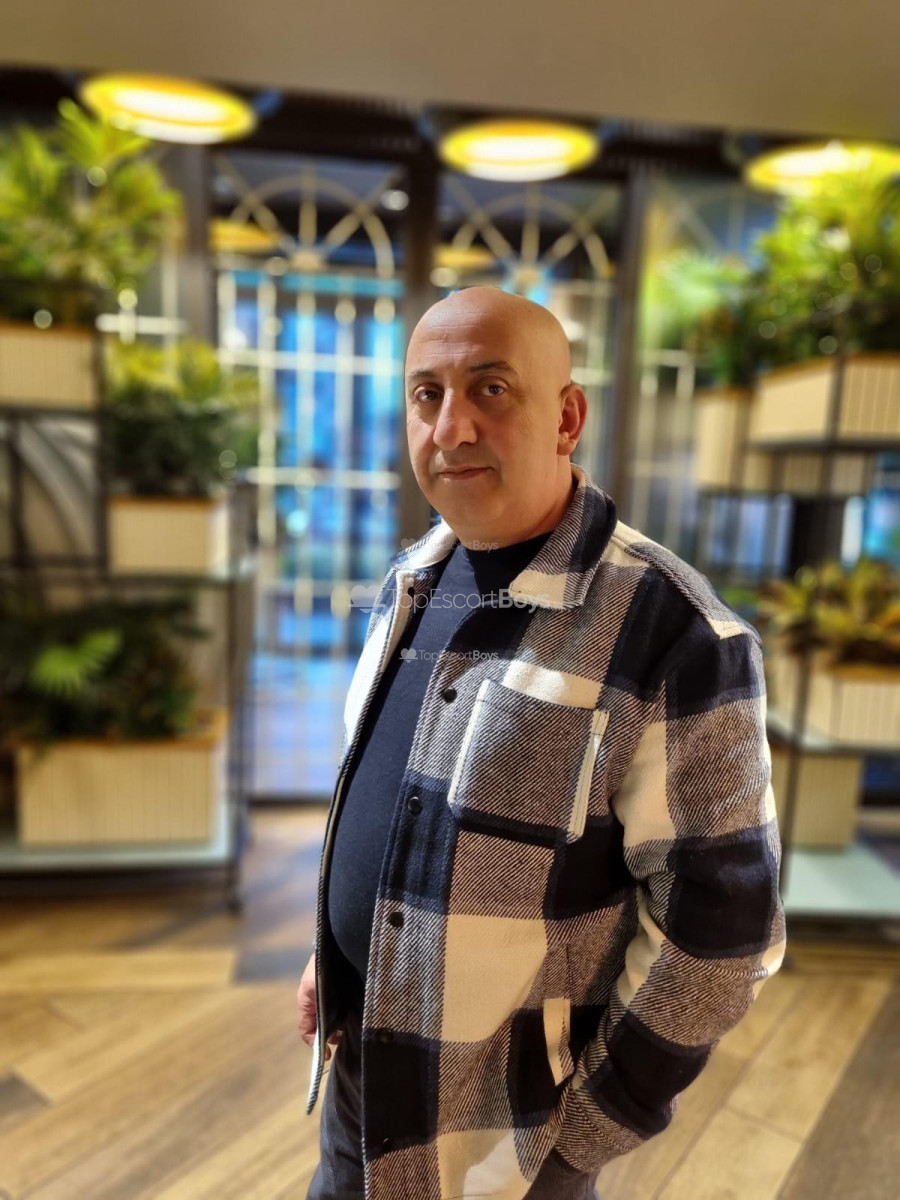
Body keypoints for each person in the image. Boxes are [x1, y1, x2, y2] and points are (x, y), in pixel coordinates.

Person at [298, 286, 786, 1200]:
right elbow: (392, 798)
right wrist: (335, 954)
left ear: (566, 418)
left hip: (503, 1148)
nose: (451, 429)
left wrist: (580, 1138)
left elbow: (724, 937)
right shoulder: (414, 578)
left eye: (490, 389)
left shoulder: (675, 635)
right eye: (427, 395)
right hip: (358, 1087)